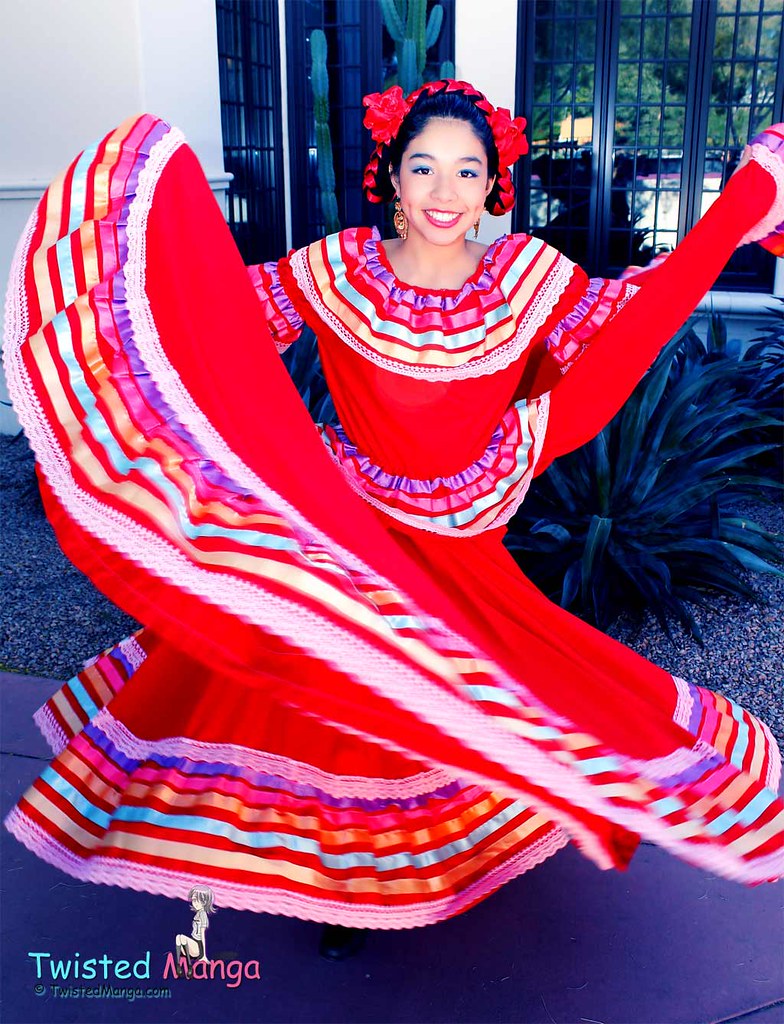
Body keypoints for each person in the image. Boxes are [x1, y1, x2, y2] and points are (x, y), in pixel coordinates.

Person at [3, 81, 783, 965]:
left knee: (480, 701)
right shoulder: (339, 271)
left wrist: (743, 207)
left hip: (463, 543)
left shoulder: (526, 276)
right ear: (392, 178)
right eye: (424, 167)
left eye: (466, 171)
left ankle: (408, 874)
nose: (445, 193)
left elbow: (629, 323)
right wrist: (137, 252)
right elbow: (223, 313)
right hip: (354, 533)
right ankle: (344, 888)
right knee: (336, 710)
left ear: (494, 186)